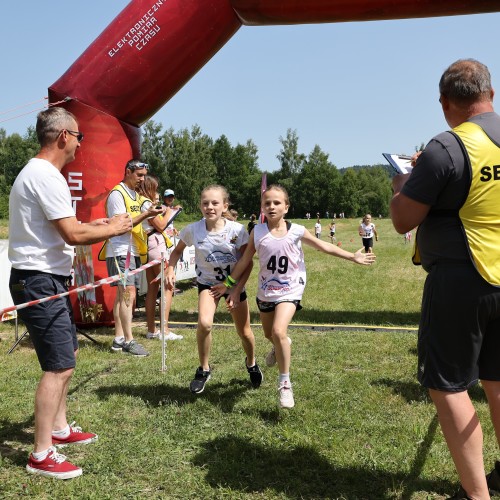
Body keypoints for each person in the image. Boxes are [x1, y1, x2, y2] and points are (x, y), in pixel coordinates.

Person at [390, 59, 500, 500]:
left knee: (448, 386)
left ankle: (476, 496)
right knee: (497, 380)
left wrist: (402, 184)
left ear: (445, 102)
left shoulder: (446, 146)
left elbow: (402, 220)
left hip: (461, 278)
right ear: (490, 93)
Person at [8, 107, 133, 479]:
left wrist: (100, 224)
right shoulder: (45, 175)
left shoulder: (43, 174)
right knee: (58, 366)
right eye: (80, 137)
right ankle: (41, 453)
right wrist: (113, 229)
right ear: (64, 136)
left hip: (46, 279)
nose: (81, 145)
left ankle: (59, 430)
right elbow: (74, 236)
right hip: (39, 280)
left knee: (69, 353)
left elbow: (68, 226)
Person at [212, 185, 376, 409]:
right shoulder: (257, 232)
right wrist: (229, 285)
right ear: (262, 207)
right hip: (266, 291)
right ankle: (281, 345)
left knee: (279, 330)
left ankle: (285, 384)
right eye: (267, 203)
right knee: (271, 334)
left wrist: (352, 256)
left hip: (291, 288)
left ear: (286, 207)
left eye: (277, 203)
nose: (271, 206)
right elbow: (244, 261)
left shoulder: (297, 230)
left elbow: (323, 246)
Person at [166, 185, 263, 394]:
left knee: (244, 332)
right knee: (204, 323)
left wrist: (234, 290)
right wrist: (170, 269)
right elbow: (175, 253)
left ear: (224, 206)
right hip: (208, 285)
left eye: (215, 203)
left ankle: (252, 363)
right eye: (205, 203)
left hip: (233, 285)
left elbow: (248, 264)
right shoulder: (193, 229)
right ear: (200, 206)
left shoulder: (237, 231)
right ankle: (203, 369)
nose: (209, 207)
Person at [100, 160, 164, 357]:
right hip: (120, 250)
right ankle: (129, 340)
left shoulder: (135, 195)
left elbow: (146, 224)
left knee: (124, 295)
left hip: (132, 250)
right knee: (128, 294)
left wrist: (151, 214)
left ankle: (119, 339)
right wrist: (146, 214)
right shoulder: (117, 194)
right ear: (128, 172)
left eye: (144, 175)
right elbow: (122, 226)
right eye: (139, 175)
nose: (142, 179)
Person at [137, 175, 183, 341]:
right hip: (157, 244)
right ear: (148, 188)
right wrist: (170, 211)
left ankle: (152, 329)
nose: (156, 192)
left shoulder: (140, 202)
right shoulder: (146, 203)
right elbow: (161, 225)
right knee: (167, 286)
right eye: (154, 188)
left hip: (148, 244)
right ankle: (165, 330)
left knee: (153, 288)